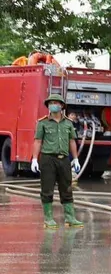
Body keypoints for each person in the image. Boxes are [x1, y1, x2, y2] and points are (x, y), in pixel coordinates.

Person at [31, 93, 83, 229]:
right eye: (50, 103)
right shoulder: (42, 122)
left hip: (64, 159)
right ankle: (48, 218)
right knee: (47, 188)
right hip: (48, 159)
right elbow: (38, 141)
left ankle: (70, 217)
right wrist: (35, 159)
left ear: (61, 106)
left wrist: (76, 159)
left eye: (56, 103)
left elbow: (72, 141)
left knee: (66, 188)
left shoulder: (68, 123)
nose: (53, 105)